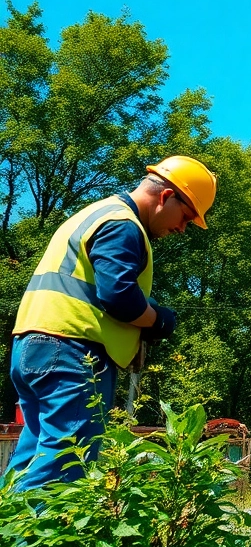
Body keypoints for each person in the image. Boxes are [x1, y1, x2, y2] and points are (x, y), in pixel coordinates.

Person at [5, 156, 217, 490]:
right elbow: (118, 295)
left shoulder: (94, 213)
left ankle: (12, 521)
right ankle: (39, 526)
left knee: (30, 460)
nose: (181, 229)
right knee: (64, 465)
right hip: (73, 353)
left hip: (32, 348)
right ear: (166, 197)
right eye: (186, 217)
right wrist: (159, 320)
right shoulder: (123, 224)